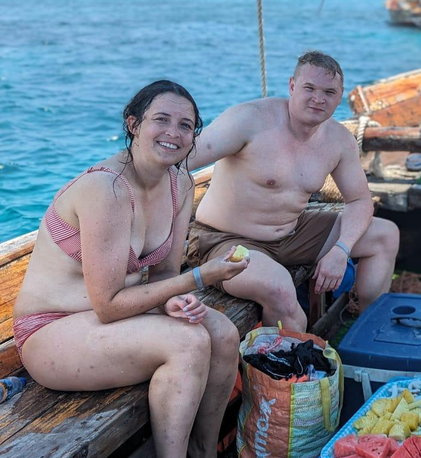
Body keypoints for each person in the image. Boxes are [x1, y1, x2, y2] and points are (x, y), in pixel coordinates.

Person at [13, 81, 250, 458]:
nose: (174, 132)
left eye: (186, 125)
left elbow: (163, 276)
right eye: (161, 119)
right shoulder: (106, 190)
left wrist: (172, 302)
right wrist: (201, 278)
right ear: (133, 124)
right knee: (187, 343)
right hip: (52, 330)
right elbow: (107, 304)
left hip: (113, 319)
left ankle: (204, 450)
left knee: (221, 332)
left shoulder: (180, 183)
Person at [186, 51, 399, 332]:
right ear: (292, 86)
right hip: (225, 241)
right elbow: (181, 161)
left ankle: (368, 332)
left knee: (385, 235)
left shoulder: (338, 140)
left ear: (340, 96)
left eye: (328, 92)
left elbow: (359, 200)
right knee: (280, 288)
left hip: (292, 232)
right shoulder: (250, 119)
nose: (318, 98)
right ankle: (295, 370)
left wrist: (341, 249)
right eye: (309, 88)